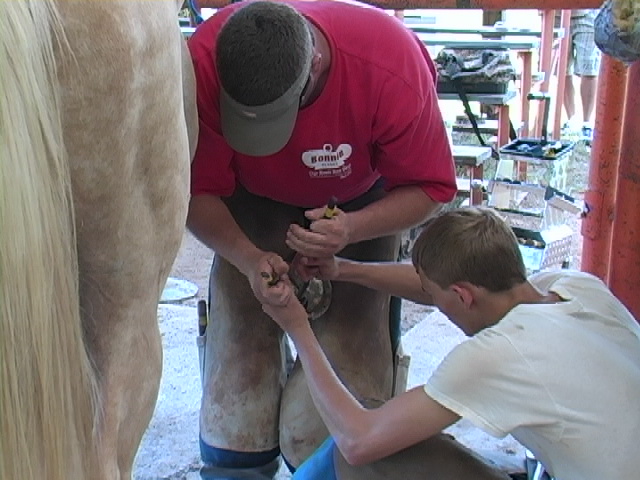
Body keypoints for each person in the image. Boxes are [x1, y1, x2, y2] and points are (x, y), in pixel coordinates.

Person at [186, 1, 456, 476]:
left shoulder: (390, 66)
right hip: (250, 198)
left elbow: (431, 188)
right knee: (236, 401)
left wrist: (352, 229)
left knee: (328, 415)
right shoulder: (204, 59)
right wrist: (248, 259)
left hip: (359, 202)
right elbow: (194, 191)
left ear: (313, 64)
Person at [262, 207, 640, 480]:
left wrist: (297, 326)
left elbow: (358, 442)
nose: (433, 302)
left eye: (435, 295)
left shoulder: (503, 352)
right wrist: (344, 269)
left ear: (463, 296)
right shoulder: (574, 287)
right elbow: (442, 283)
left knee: (369, 452)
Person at [561, 9, 602, 141]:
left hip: (587, 11)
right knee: (561, 67)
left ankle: (586, 123)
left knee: (589, 66)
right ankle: (571, 119)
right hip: (557, 12)